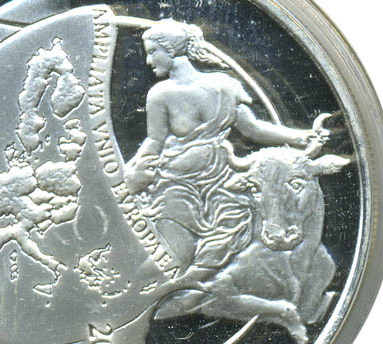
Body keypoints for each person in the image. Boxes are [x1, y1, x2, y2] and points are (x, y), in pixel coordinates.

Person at [124, 19, 325, 276]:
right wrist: (131, 174)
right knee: (177, 256)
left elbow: (251, 129)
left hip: (222, 183)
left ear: (171, 49)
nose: (148, 61)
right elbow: (154, 142)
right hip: (176, 185)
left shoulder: (222, 86)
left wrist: (301, 137)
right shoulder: (161, 94)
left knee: (234, 247)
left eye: (153, 52)